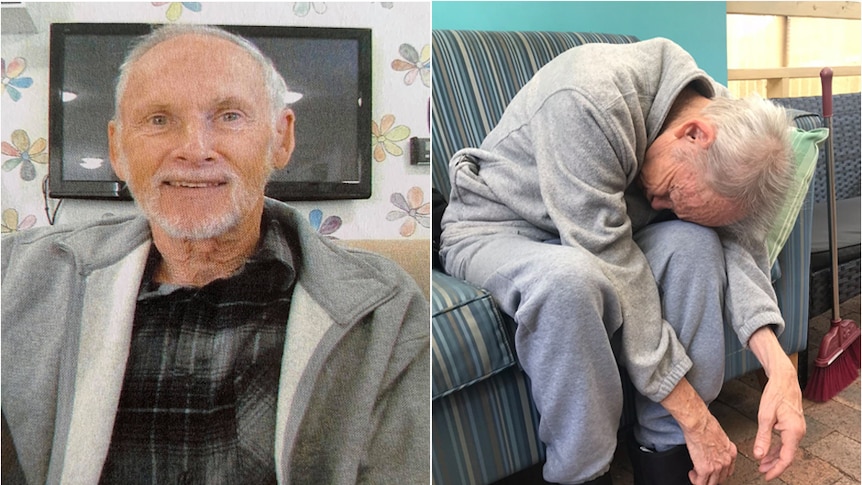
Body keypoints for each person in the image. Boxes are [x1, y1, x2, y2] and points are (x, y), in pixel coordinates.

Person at [1, 24, 429, 484]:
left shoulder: (385, 313)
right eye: (159, 120)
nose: (195, 150)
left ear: (281, 139)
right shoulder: (15, 277)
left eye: (228, 116)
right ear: (117, 149)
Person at [438, 38, 805, 485]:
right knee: (571, 281)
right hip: (498, 228)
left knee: (696, 244)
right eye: (671, 193)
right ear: (694, 134)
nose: (659, 202)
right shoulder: (588, 97)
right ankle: (583, 473)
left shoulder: (722, 116)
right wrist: (697, 415)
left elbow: (740, 241)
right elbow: (610, 260)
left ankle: (667, 456)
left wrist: (778, 363)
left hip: (606, 233)